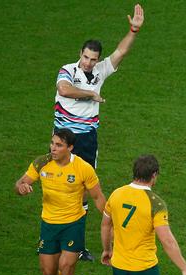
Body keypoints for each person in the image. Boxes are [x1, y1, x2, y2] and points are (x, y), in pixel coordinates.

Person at [53, 4, 144, 262]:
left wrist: (134, 30)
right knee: (59, 184)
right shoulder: (68, 70)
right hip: (63, 136)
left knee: (82, 189)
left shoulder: (101, 70)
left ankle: (76, 245)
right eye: (86, 57)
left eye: (94, 59)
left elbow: (121, 51)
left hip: (88, 138)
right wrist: (91, 94)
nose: (90, 63)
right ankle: (51, 237)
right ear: (79, 54)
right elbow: (64, 90)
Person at [14, 129, 106, 275]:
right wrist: (22, 188)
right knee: (48, 273)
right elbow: (20, 183)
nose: (53, 148)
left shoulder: (83, 168)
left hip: (73, 224)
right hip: (49, 225)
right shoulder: (41, 163)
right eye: (52, 143)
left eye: (58, 145)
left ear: (70, 148)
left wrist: (111, 219)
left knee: (66, 269)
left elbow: (98, 197)